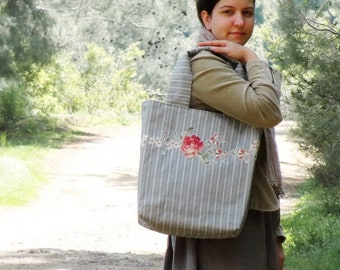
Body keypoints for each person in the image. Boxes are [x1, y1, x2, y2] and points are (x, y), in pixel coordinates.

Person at [163, 0, 286, 269]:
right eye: (228, 12)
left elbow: (258, 161)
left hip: (244, 211)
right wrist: (252, 58)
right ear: (207, 19)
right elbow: (266, 110)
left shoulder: (234, 66)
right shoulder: (206, 66)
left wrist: (276, 236)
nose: (239, 22)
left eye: (247, 13)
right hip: (216, 218)